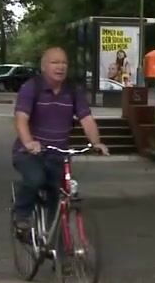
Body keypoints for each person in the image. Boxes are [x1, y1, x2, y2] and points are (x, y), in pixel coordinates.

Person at [12, 46, 109, 231]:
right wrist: (29, 142)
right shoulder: (31, 87)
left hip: (58, 155)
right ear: (43, 66)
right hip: (30, 153)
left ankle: (57, 241)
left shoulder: (73, 91)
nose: (60, 66)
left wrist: (96, 142)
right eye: (55, 62)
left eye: (64, 63)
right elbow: (21, 119)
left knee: (60, 196)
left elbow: (86, 119)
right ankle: (22, 215)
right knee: (35, 179)